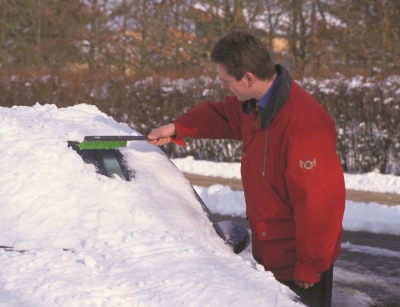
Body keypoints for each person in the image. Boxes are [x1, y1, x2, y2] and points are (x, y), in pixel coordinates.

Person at [148, 29, 345, 307]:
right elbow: (220, 115)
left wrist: (309, 266)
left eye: (227, 81)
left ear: (249, 78)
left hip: (299, 268)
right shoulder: (255, 106)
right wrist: (177, 127)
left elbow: (320, 203)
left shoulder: (303, 124)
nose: (225, 87)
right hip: (271, 259)